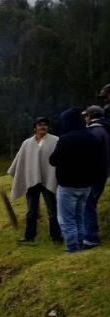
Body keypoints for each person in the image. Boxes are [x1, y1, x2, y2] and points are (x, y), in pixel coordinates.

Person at [49, 108, 105, 253]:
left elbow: (53, 160)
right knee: (80, 217)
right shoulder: (92, 137)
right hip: (86, 185)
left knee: (67, 220)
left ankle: (72, 249)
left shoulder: (65, 139)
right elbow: (98, 160)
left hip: (67, 185)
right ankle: (80, 245)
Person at [7, 117, 62, 244]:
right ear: (35, 128)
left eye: (45, 124)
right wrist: (14, 171)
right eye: (40, 124)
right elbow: (20, 159)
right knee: (31, 211)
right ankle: (29, 237)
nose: (43, 127)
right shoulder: (27, 143)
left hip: (48, 180)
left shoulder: (55, 140)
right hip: (32, 181)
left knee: (52, 210)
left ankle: (56, 237)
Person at [83, 106, 110, 248]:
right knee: (90, 204)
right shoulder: (105, 130)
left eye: (86, 115)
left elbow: (89, 157)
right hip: (102, 173)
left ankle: (91, 238)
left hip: (92, 175)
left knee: (88, 205)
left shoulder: (94, 132)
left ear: (90, 116)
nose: (85, 118)